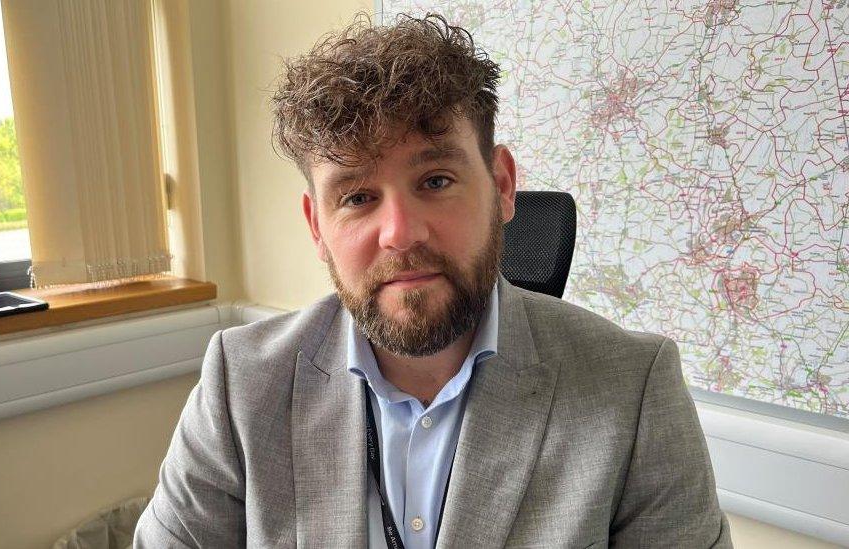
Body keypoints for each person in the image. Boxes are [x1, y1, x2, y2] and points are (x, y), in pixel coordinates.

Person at [134, 14, 732, 548]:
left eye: (437, 180)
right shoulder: (242, 384)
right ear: (317, 226)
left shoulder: (633, 390)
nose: (400, 233)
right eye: (358, 196)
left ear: (501, 186)